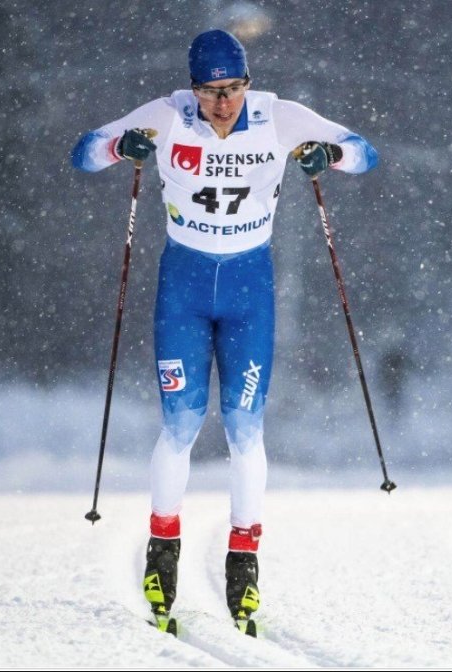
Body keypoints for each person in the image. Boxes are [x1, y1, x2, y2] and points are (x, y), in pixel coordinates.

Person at [71, 29, 377, 634]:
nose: (223, 104)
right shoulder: (167, 115)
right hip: (183, 287)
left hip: (248, 290)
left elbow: (364, 151)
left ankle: (244, 565)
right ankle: (162, 559)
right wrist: (119, 149)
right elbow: (84, 150)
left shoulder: (277, 116)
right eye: (212, 92)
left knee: (243, 426)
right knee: (181, 422)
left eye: (233, 89)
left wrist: (330, 156)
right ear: (193, 89)